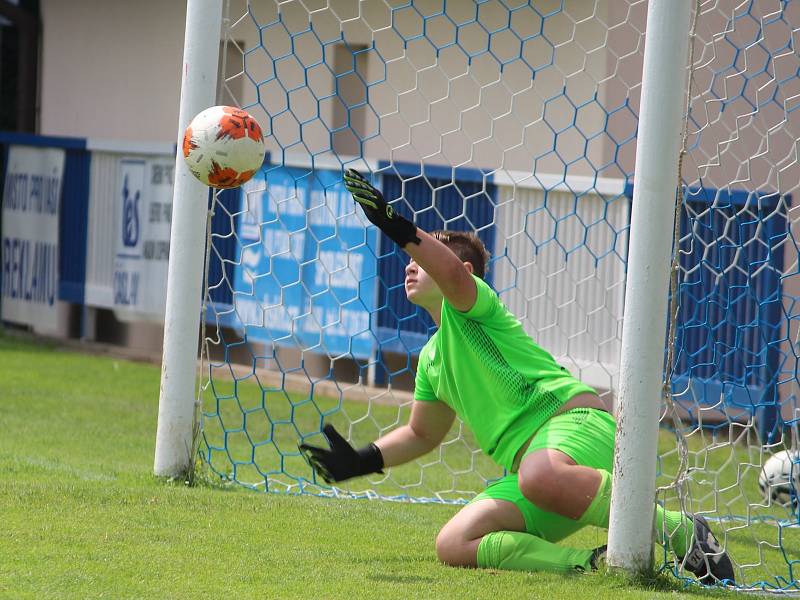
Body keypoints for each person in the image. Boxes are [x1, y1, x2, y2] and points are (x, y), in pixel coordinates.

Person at [299, 168, 735, 584]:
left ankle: (683, 532)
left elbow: (448, 270)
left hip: (576, 429)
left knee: (537, 475)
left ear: (464, 273)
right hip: (544, 476)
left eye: (420, 259)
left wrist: (397, 226)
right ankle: (592, 566)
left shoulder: (474, 307)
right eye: (409, 260)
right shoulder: (432, 358)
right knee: (454, 542)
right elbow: (421, 433)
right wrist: (362, 460)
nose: (410, 266)